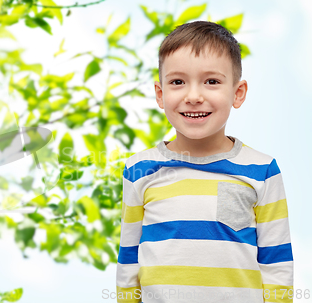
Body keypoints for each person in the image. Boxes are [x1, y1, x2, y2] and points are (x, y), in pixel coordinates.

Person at [115, 21, 294, 303]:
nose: (194, 96)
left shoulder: (262, 170)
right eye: (177, 82)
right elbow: (128, 259)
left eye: (211, 81)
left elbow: (277, 263)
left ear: (238, 93)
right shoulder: (139, 170)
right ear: (160, 94)